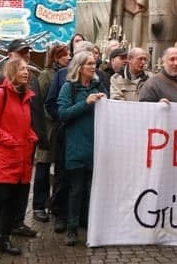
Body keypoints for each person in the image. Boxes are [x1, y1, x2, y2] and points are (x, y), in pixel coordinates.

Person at [0, 58, 39, 263]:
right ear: (12, 71)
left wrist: (30, 135)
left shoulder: (25, 97)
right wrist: (9, 140)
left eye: (27, 69)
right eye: (21, 69)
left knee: (13, 202)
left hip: (22, 157)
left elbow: (21, 124)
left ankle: (3, 239)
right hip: (6, 157)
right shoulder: (1, 94)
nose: (26, 72)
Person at [0, 38, 43, 239]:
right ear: (10, 56)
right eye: (20, 53)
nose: (25, 58)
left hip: (23, 150)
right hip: (7, 151)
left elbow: (31, 115)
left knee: (18, 192)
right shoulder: (1, 82)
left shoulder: (26, 86)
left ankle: (10, 229)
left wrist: (33, 135)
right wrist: (8, 140)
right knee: (1, 196)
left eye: (27, 53)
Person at [57, 51, 107, 246]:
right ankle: (72, 228)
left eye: (94, 63)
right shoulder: (69, 88)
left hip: (96, 146)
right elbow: (63, 113)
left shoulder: (98, 85)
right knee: (76, 189)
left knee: (92, 189)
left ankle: (90, 225)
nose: (93, 67)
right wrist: (85, 104)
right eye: (89, 64)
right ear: (79, 67)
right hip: (77, 146)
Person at [34, 43, 69, 224]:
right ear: (56, 57)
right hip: (48, 129)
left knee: (60, 168)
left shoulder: (67, 74)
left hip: (60, 129)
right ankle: (39, 205)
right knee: (43, 165)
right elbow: (40, 102)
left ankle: (54, 202)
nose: (68, 57)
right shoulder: (46, 75)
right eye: (64, 55)